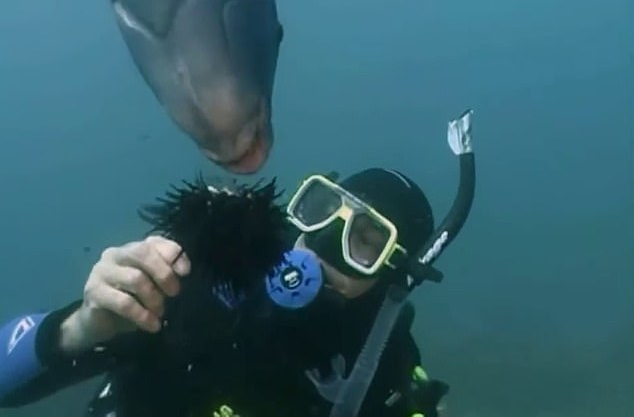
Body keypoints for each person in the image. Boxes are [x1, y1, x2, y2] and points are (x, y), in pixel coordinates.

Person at [0, 111, 475, 416]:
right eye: (324, 209)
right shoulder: (199, 274)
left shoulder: (379, 367)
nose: (327, 243)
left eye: (365, 242)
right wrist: (80, 328)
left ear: (393, 272)